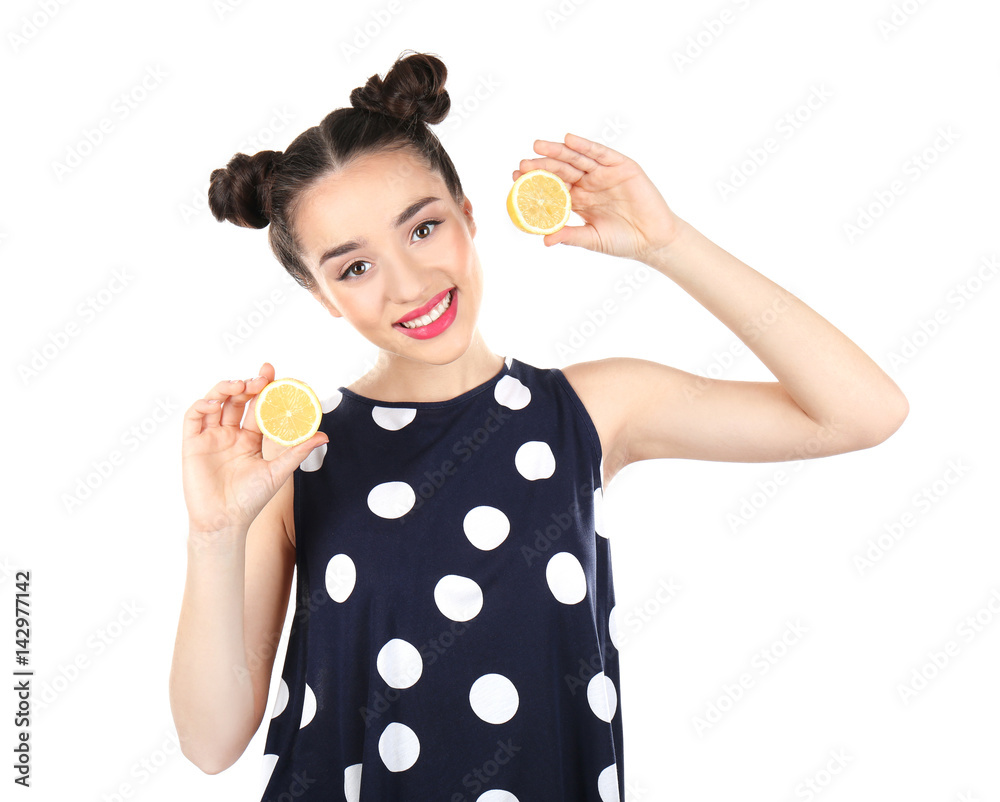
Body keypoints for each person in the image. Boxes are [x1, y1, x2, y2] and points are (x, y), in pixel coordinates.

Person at [168, 50, 908, 801]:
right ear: (323, 295)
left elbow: (862, 412)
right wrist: (214, 533)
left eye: (422, 229)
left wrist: (667, 244)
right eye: (354, 268)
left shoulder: (591, 410)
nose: (410, 282)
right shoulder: (298, 460)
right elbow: (210, 742)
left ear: (468, 216)